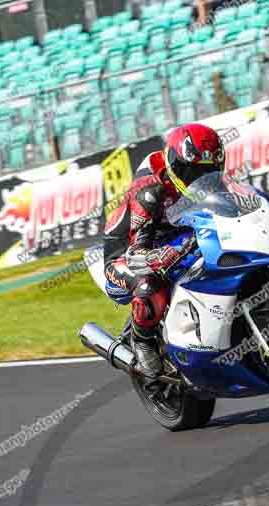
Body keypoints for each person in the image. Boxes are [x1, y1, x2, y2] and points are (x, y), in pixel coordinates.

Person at [102, 123, 225, 377]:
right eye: (190, 172)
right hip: (126, 251)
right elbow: (137, 254)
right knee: (150, 286)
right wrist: (166, 254)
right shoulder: (150, 190)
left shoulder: (211, 184)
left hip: (174, 236)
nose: (198, 180)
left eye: (207, 172)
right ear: (174, 165)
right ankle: (142, 339)